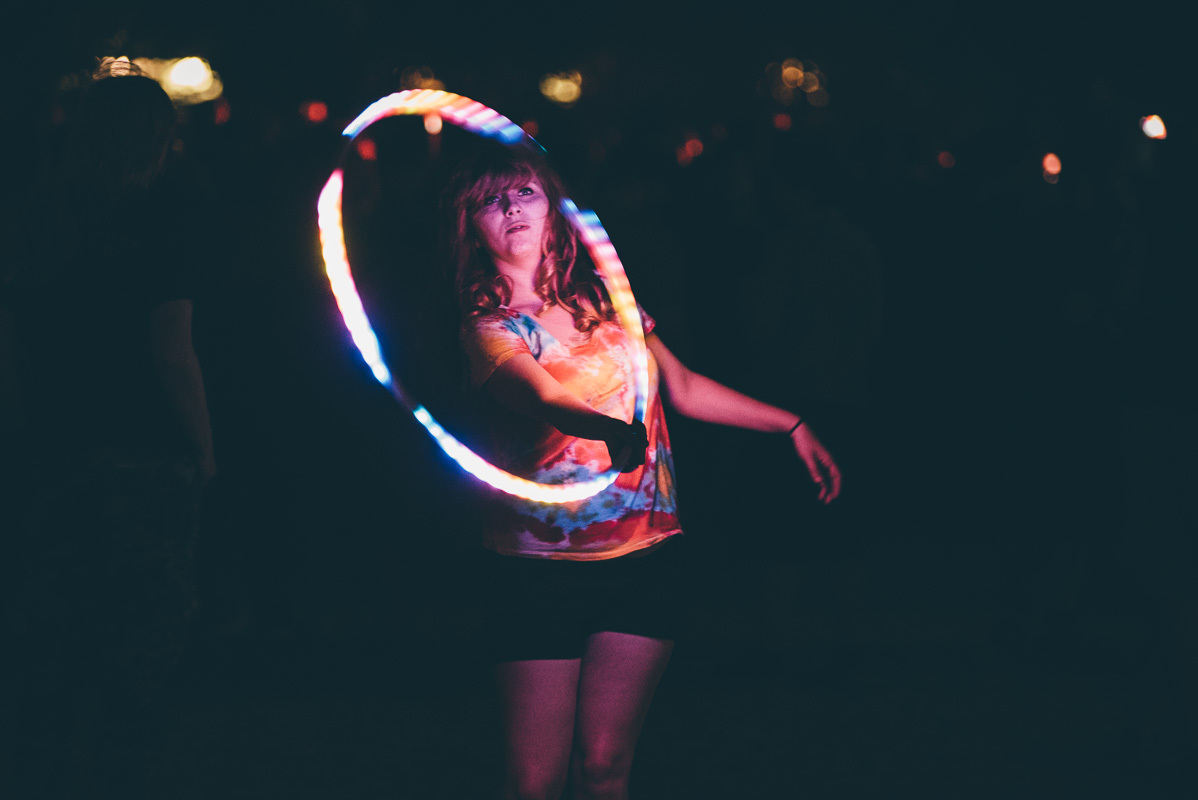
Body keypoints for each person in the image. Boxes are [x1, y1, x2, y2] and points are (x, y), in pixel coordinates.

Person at [444, 145, 841, 800]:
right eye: (489, 199)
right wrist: (608, 430)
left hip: (646, 557)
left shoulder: (606, 301)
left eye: (523, 192)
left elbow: (681, 387)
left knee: (604, 767)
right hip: (538, 569)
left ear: (555, 209)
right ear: (470, 229)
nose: (510, 207)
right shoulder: (488, 328)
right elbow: (541, 398)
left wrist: (789, 424)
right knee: (535, 782)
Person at [2, 59, 216, 799]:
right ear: (158, 138)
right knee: (143, 634)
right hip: (143, 452)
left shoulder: (38, 214)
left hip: (52, 444)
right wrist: (204, 448)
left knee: (54, 631)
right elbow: (171, 349)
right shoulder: (166, 220)